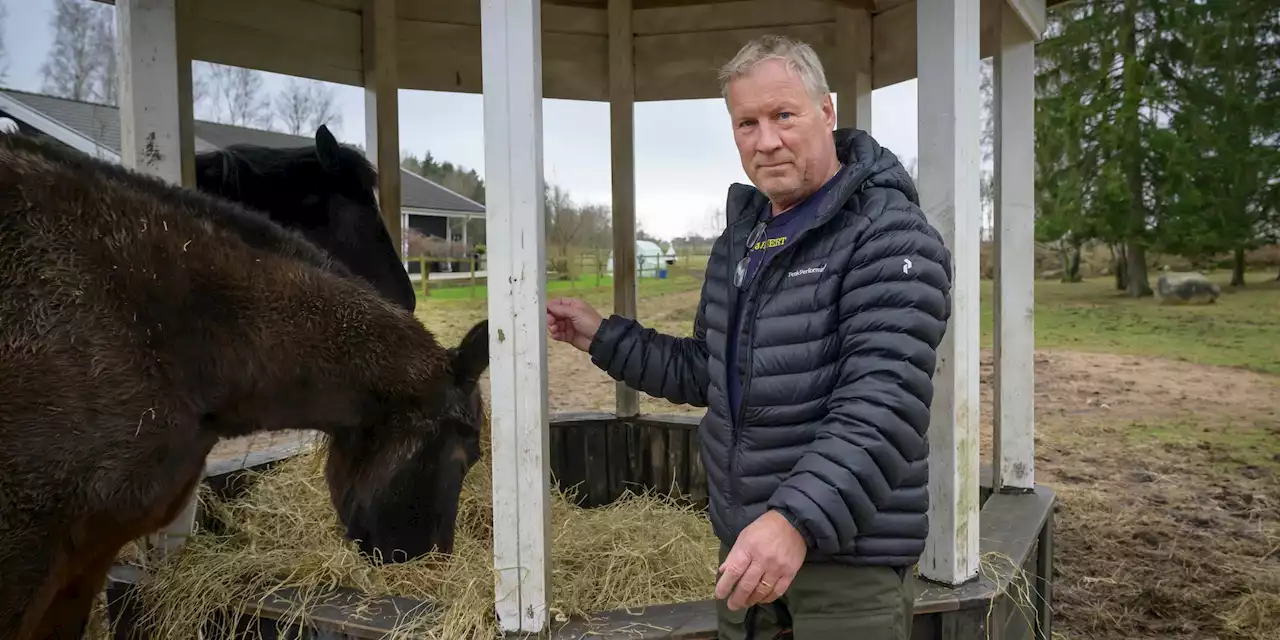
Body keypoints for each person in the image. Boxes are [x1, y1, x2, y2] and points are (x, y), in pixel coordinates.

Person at [546, 34, 952, 640]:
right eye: (746, 123)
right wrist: (600, 336)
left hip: (845, 570)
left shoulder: (888, 236)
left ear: (826, 112)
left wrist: (794, 521)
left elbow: (882, 406)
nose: (766, 140)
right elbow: (704, 371)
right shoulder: (742, 242)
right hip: (747, 557)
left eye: (783, 115)